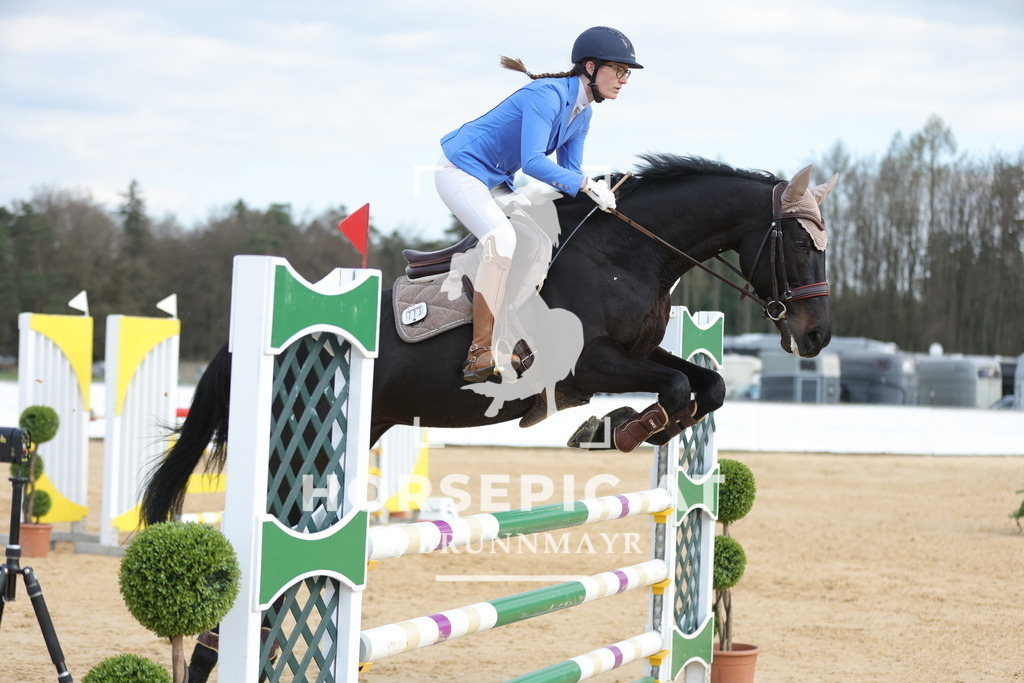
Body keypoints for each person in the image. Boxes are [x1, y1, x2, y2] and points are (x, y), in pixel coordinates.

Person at [436, 26, 642, 382]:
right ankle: (480, 351)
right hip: (460, 170)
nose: (624, 80)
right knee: (502, 241)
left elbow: (570, 174)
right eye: (619, 70)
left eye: (626, 73)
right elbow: (533, 163)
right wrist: (586, 185)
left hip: (495, 179)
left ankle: (513, 331)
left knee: (540, 241)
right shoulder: (546, 96)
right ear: (590, 68)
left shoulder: (583, 113)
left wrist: (603, 192)